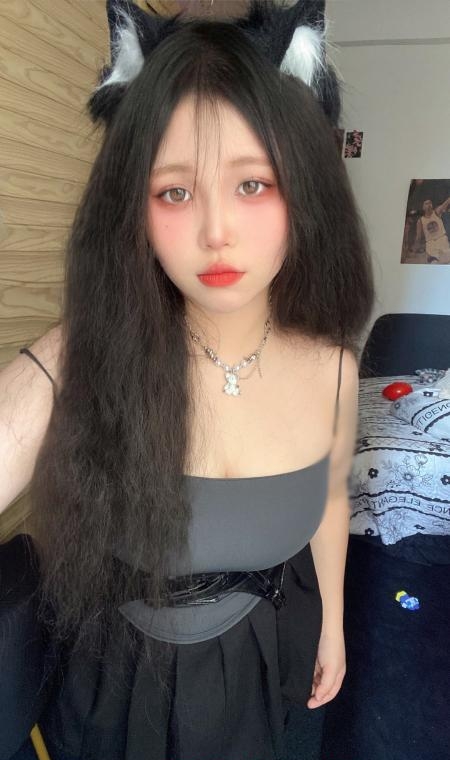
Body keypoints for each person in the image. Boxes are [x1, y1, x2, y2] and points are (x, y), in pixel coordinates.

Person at [0, 1, 374, 759]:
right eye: (174, 191)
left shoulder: (335, 366)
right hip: (113, 683)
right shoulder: (78, 360)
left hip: (264, 655)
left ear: (304, 188)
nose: (215, 232)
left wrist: (334, 621)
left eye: (252, 184)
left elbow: (331, 496)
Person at [415, 197, 450, 264]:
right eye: (426, 203)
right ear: (423, 207)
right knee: (433, 263)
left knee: (447, 263)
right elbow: (418, 237)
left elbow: (445, 204)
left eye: (430, 203)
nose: (429, 205)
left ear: (432, 205)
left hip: (442, 239)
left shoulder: (437, 212)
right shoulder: (420, 221)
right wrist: (415, 248)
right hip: (430, 243)